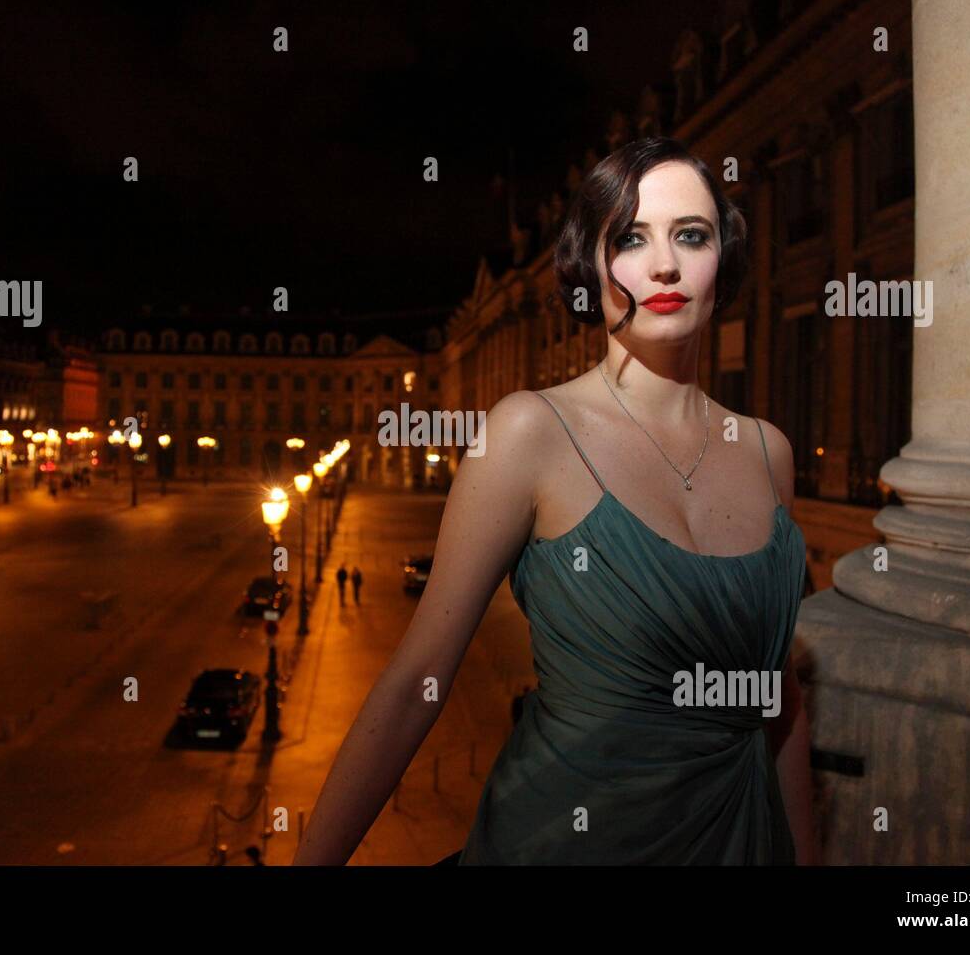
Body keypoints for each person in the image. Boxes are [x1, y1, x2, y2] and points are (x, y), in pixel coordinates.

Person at [294, 137, 814, 866]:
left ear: (720, 263)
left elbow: (778, 699)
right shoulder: (528, 431)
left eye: (690, 235)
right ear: (588, 270)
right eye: (630, 238)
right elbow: (418, 680)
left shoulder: (770, 453)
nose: (664, 263)